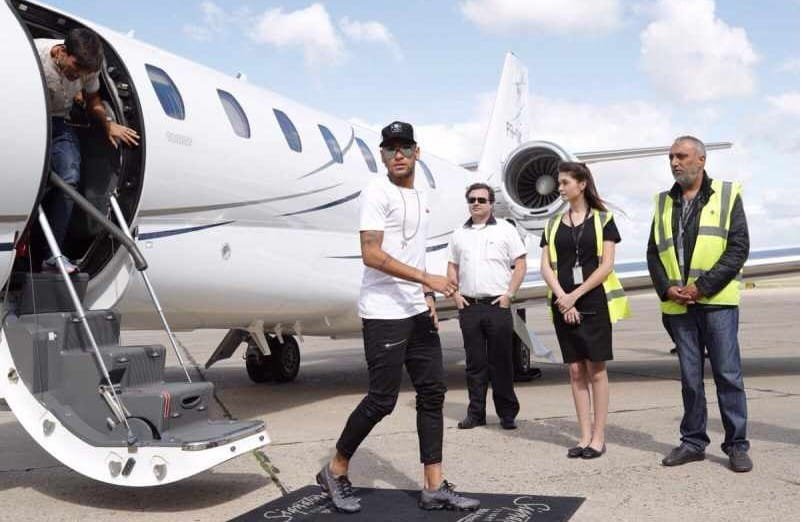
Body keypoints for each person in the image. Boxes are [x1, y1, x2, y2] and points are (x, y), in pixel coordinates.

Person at [316, 121, 480, 513]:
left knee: (432, 392)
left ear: (417, 152)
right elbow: (371, 253)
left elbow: (413, 252)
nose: (398, 155)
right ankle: (335, 470)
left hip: (415, 309)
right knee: (382, 400)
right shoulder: (376, 192)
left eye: (404, 147)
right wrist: (428, 279)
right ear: (382, 156)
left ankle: (434, 485)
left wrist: (424, 294)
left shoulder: (420, 197)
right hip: (383, 311)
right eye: (390, 149)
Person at [647, 135, 752, 472]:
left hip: (716, 302)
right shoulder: (663, 202)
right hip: (678, 307)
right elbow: (654, 253)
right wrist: (667, 288)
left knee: (728, 376)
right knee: (689, 378)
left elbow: (738, 247)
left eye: (682, 156)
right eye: (671, 157)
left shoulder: (726, 194)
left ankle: (736, 445)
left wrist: (701, 288)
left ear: (701, 160)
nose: (675, 162)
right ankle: (693, 442)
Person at [540, 162, 630, 459]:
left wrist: (575, 295)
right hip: (562, 300)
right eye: (559, 183)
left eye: (565, 182)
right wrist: (563, 298)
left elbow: (606, 265)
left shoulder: (604, 220)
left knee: (596, 368)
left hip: (592, 300)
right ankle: (583, 436)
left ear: (581, 184)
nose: (560, 187)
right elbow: (545, 267)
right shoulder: (552, 223)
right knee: (576, 370)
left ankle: (599, 437)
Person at [34, 28, 139, 272]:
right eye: (73, 70)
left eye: (82, 75)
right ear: (61, 52)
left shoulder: (89, 68)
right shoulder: (34, 54)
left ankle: (51, 255)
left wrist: (108, 124)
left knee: (69, 178)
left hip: (58, 121)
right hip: (28, 116)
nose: (76, 78)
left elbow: (93, 99)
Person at [447, 182, 527, 431]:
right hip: (470, 306)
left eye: (481, 200)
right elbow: (452, 266)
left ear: (491, 203)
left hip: (497, 305)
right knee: (475, 363)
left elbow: (520, 264)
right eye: (471, 199)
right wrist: (456, 295)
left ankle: (506, 414)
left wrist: (509, 295)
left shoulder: (505, 230)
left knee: (501, 362)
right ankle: (476, 413)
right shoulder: (459, 233)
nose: (476, 204)